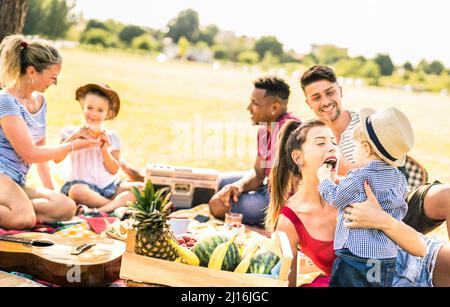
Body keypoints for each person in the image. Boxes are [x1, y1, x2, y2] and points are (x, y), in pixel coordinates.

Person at [267, 119, 449, 287]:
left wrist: (382, 220)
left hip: (423, 262)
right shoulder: (289, 221)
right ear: (298, 157)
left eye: (334, 142)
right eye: (321, 143)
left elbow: (420, 247)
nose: (331, 148)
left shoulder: (358, 186)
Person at [300, 65, 450, 239]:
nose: (325, 101)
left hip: (394, 208)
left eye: (330, 92)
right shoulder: (311, 136)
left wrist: (339, 171)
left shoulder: (367, 126)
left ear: (340, 91)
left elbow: (391, 177)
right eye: (316, 97)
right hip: (348, 218)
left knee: (446, 195)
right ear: (308, 102)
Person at [0, 35, 99, 230]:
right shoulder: (6, 101)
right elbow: (29, 154)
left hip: (16, 182)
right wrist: (71, 146)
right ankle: (20, 211)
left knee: (66, 206)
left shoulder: (40, 101)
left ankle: (18, 208)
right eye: (52, 77)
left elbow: (42, 148)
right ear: (31, 72)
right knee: (24, 219)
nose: (55, 83)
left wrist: (51, 192)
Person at [317, 107, 413, 286]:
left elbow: (335, 197)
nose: (353, 151)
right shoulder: (399, 178)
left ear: (366, 148)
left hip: (356, 259)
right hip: (386, 258)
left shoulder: (359, 176)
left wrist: (323, 179)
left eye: (355, 146)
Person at [209, 76, 301, 225]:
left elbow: (289, 188)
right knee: (217, 183)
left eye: (254, 103)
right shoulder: (265, 128)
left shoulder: (290, 130)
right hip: (268, 187)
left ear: (274, 108)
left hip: (281, 200)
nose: (248, 108)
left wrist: (246, 191)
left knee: (217, 204)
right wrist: (239, 185)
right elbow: (259, 173)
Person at [57, 84, 144, 213]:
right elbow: (56, 158)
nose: (93, 113)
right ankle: (112, 207)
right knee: (77, 191)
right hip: (82, 187)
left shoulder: (112, 137)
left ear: (108, 113)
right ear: (83, 107)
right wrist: (75, 137)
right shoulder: (70, 132)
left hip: (109, 187)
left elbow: (113, 170)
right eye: (90, 108)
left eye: (100, 110)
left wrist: (104, 149)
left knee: (140, 188)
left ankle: (97, 211)